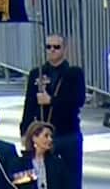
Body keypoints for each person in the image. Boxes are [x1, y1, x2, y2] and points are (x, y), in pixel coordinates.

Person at [19, 35, 85, 189]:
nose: (52, 50)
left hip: (67, 133)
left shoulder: (74, 73)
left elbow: (78, 100)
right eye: (49, 47)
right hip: (42, 133)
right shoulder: (37, 73)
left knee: (70, 177)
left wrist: (52, 100)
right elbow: (29, 104)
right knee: (41, 173)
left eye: (56, 47)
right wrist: (24, 130)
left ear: (64, 49)